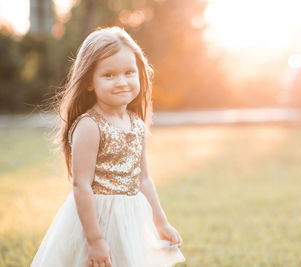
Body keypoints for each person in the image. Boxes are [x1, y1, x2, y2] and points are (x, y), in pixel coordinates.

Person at [31, 26, 186, 267]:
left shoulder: (136, 123)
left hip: (131, 218)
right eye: (109, 75)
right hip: (97, 220)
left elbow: (144, 179)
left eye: (129, 72)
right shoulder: (90, 126)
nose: (122, 82)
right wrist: (95, 240)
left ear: (139, 74)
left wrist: (161, 223)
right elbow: (81, 185)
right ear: (90, 82)